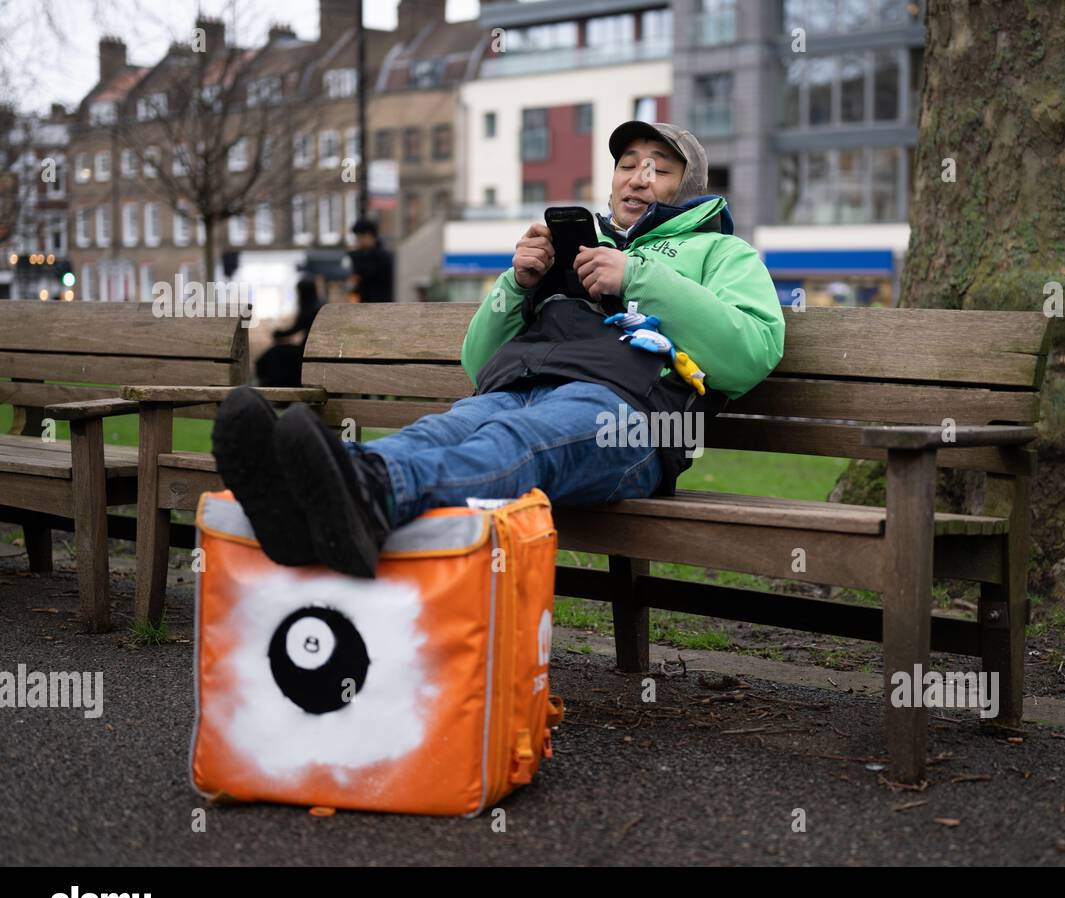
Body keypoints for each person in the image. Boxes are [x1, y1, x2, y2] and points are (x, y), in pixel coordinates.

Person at [212, 120, 784, 578]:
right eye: (627, 165)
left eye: (657, 169)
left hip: (629, 419)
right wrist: (519, 285)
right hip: (520, 388)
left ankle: (365, 496)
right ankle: (307, 500)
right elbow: (476, 367)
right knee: (441, 430)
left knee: (514, 442)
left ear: (687, 186)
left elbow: (752, 351)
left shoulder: (720, 253)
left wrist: (637, 278)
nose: (637, 178)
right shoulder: (579, 248)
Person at [253, 276, 322, 387]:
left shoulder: (310, 308)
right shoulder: (318, 305)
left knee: (275, 353)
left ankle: (271, 384)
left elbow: (296, 328)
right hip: (309, 349)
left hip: (306, 351)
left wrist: (279, 334)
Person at [345, 219, 394, 303]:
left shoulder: (381, 256)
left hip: (380, 304)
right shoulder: (363, 254)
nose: (357, 241)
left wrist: (353, 254)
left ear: (368, 235)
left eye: (359, 237)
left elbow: (365, 273)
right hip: (364, 303)